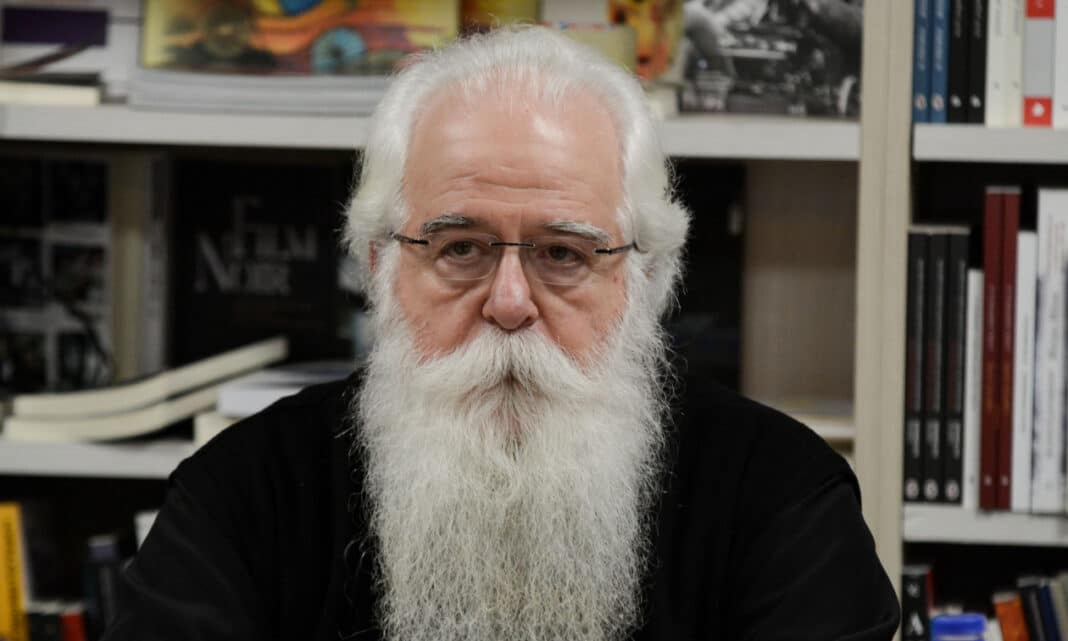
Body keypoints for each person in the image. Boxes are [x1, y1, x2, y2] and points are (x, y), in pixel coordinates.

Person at [106, 26, 899, 641]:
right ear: (381, 266)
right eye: (460, 248)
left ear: (646, 277)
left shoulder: (781, 497)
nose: (510, 302)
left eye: (564, 254)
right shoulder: (244, 494)